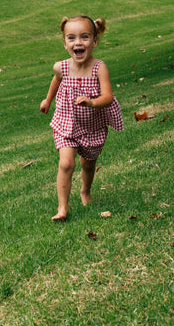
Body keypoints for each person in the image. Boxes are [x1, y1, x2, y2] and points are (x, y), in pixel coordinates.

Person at [40, 15, 123, 220]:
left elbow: (108, 96)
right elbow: (56, 81)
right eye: (71, 38)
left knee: (88, 163)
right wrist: (47, 100)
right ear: (65, 43)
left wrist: (92, 102)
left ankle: (85, 191)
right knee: (66, 163)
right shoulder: (61, 67)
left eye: (84, 37)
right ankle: (62, 208)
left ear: (94, 41)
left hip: (92, 126)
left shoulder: (99, 67)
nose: (78, 42)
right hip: (66, 124)